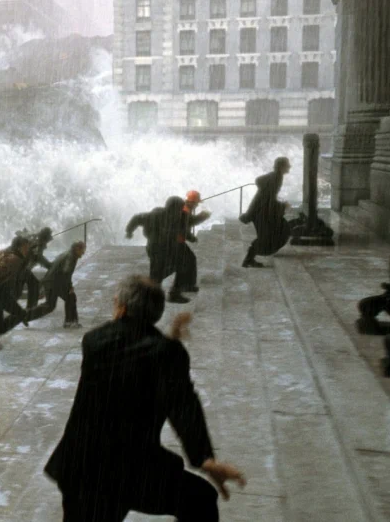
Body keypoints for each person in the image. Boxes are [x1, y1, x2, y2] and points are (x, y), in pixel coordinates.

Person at [44, 276, 246, 522]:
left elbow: (130, 353)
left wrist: (168, 346)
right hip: (131, 471)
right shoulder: (165, 353)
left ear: (121, 308)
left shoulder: (94, 341)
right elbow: (183, 404)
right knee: (200, 500)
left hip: (83, 466)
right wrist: (204, 459)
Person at [128, 196, 194, 305]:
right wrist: (129, 231)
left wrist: (191, 237)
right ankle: (151, 295)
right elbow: (136, 218)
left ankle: (172, 293)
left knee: (181, 265)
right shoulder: (155, 216)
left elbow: (182, 230)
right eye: (179, 209)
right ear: (171, 208)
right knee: (158, 274)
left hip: (168, 248)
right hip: (155, 249)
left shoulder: (177, 217)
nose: (180, 212)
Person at [241, 157, 293, 268]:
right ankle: (248, 260)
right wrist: (283, 206)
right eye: (287, 165)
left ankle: (249, 259)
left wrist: (280, 206)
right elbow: (267, 200)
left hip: (260, 211)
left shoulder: (276, 176)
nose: (289, 166)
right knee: (265, 237)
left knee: (277, 231)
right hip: (261, 212)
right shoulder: (276, 178)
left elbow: (267, 198)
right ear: (281, 167)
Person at [29, 241, 87, 328]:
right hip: (53, 282)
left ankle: (70, 322)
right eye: (82, 250)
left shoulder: (68, 253)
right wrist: (69, 287)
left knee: (54, 304)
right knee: (63, 300)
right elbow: (66, 272)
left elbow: (55, 267)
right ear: (77, 248)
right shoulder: (71, 257)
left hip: (53, 281)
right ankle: (70, 322)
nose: (83, 253)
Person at [174, 191, 212, 294]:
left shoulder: (184, 209)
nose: (197, 205)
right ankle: (185, 286)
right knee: (188, 261)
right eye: (196, 203)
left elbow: (189, 222)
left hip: (175, 240)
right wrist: (192, 238)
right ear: (191, 202)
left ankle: (186, 285)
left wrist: (202, 216)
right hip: (176, 241)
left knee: (188, 261)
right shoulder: (184, 211)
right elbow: (183, 229)